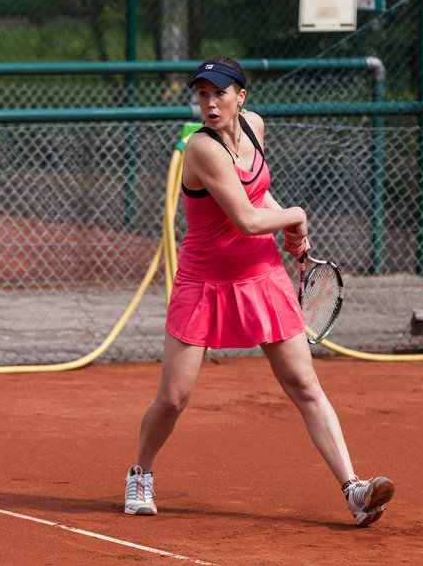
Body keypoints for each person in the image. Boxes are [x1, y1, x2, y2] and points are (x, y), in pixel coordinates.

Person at [124, 56, 394, 527]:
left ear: (240, 96)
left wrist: (290, 222)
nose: (209, 103)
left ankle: (353, 489)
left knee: (305, 384)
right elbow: (247, 222)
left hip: (261, 275)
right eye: (202, 94)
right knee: (173, 398)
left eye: (219, 93)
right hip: (203, 280)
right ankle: (140, 473)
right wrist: (296, 215)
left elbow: (257, 196)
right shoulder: (200, 149)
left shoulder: (254, 127)